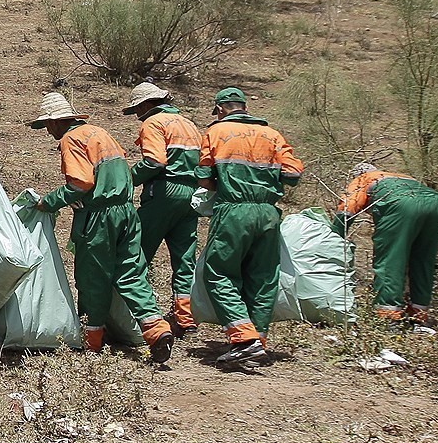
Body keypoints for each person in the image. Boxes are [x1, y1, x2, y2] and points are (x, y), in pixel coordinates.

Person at [32, 92, 174, 363]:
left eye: (48, 124)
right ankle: (156, 329)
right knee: (131, 273)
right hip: (127, 213)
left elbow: (80, 183)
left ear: (58, 122)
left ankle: (92, 340)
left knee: (92, 277)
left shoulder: (71, 139)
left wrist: (48, 202)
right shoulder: (100, 132)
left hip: (99, 217)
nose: (48, 129)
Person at [196, 87, 303, 365]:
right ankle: (259, 340)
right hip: (268, 212)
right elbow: (293, 174)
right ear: (244, 107)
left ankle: (244, 339)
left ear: (220, 109)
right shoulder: (272, 134)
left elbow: (205, 179)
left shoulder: (216, 132)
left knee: (219, 272)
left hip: (233, 210)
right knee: (263, 276)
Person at [124, 82, 202, 337]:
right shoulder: (189, 124)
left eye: (138, 108)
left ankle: (139, 316)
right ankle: (186, 316)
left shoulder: (154, 123)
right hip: (191, 194)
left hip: (164, 191)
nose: (137, 114)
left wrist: (126, 180)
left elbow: (154, 161)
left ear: (147, 105)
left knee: (136, 252)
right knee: (184, 258)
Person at [334, 163, 438, 323]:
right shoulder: (402, 177)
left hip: (402, 204)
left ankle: (388, 316)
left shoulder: (363, 179)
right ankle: (418, 314)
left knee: (390, 259)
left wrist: (334, 236)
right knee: (423, 259)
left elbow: (347, 208)